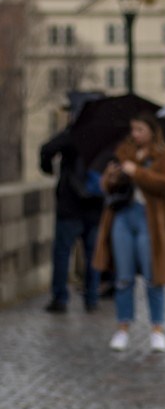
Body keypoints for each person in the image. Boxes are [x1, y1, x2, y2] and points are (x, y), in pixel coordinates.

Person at [93, 113, 165, 353]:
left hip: (150, 220)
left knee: (154, 277)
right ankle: (123, 327)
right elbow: (107, 187)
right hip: (123, 217)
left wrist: (138, 172)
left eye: (140, 129)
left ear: (152, 130)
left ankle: (157, 329)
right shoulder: (123, 151)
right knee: (123, 277)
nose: (135, 135)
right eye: (133, 129)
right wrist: (112, 177)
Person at [39, 92, 105, 314]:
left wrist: (49, 169)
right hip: (95, 206)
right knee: (91, 255)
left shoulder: (73, 134)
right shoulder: (102, 138)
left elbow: (46, 150)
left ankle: (60, 298)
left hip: (70, 205)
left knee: (62, 254)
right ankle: (92, 297)